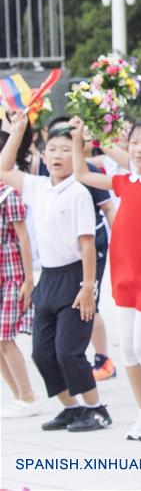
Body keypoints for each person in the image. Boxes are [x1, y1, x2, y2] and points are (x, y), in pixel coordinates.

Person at [70, 118, 141, 442]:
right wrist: (79, 140)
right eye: (135, 142)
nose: (139, 148)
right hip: (124, 276)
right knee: (129, 352)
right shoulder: (123, 181)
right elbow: (82, 174)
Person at [0, 114, 111, 432]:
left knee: (69, 351)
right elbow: (4, 168)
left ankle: (96, 408)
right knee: (42, 352)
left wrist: (88, 286)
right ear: (43, 155)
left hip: (75, 276)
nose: (58, 155)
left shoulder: (78, 191)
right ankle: (71, 408)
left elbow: (87, 244)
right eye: (53, 149)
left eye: (65, 149)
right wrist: (18, 130)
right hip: (48, 277)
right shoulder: (37, 187)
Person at [0, 131, 38, 418]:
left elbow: (23, 239)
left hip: (11, 275)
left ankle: (27, 396)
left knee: (5, 337)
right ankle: (17, 395)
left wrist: (27, 279)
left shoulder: (9, 194)